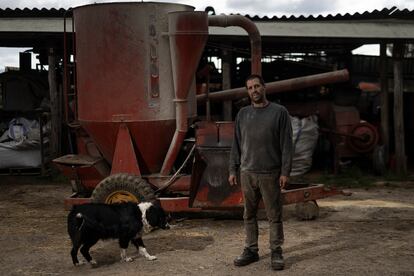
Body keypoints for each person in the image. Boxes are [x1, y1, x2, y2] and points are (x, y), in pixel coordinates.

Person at [228, 74, 293, 271]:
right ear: (247, 92)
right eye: (250, 88)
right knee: (249, 214)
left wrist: (285, 171)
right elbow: (236, 144)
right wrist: (233, 168)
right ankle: (251, 250)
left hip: (270, 173)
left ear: (264, 88)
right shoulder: (242, 114)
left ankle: (276, 251)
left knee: (274, 215)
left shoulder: (279, 112)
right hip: (247, 173)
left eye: (257, 86)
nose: (254, 90)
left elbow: (287, 144)